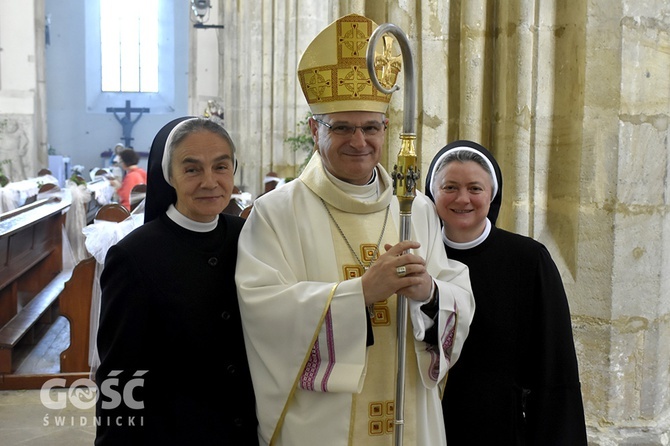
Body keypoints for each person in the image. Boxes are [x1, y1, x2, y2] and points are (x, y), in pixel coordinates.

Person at [235, 14, 475, 446]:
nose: (358, 141)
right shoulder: (275, 213)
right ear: (314, 129)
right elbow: (263, 312)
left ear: (386, 129)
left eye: (370, 127)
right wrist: (359, 294)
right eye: (341, 127)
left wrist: (431, 296)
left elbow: (455, 289)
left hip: (408, 412)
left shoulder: (414, 208)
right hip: (324, 423)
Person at [95, 117, 258, 445]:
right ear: (168, 174)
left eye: (221, 167)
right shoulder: (133, 256)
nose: (210, 182)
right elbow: (119, 376)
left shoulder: (248, 237)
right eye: (192, 169)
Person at [424, 140, 588, 445]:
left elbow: (555, 361)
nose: (463, 199)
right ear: (432, 194)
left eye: (475, 188)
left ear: (492, 195)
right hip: (427, 419)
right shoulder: (417, 258)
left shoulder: (529, 260)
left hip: (501, 426)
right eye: (450, 187)